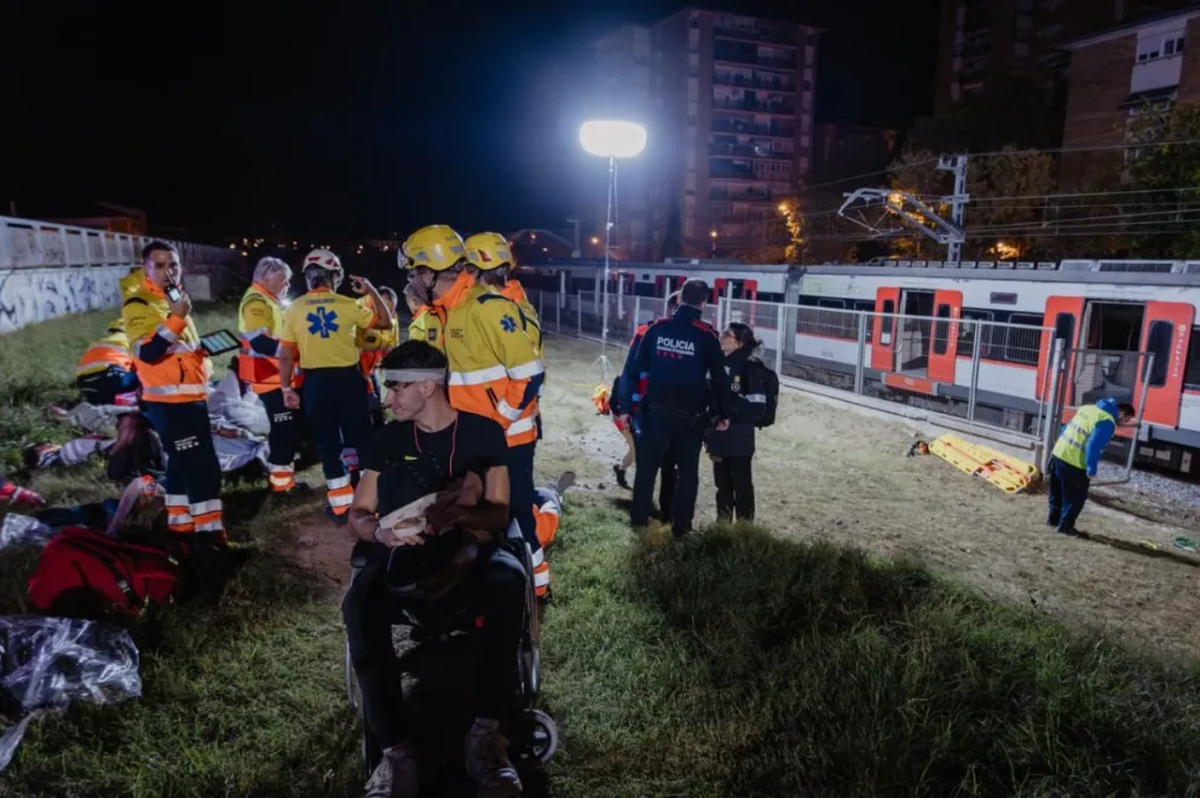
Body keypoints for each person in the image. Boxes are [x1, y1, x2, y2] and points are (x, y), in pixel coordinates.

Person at [343, 341, 526, 798]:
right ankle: (395, 754)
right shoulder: (386, 440)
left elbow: (499, 514)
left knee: (508, 582)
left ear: (430, 385)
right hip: (400, 557)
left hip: (469, 553)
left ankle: (486, 739)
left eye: (397, 388)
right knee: (360, 604)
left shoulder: (483, 434)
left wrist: (455, 515)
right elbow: (359, 514)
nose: (389, 398)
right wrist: (383, 533)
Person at [402, 225, 549, 600]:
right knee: (472, 515)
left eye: (413, 273)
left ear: (428, 272)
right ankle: (483, 586)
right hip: (466, 440)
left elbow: (530, 375)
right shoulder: (439, 316)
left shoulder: (488, 308)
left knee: (516, 515)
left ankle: (538, 591)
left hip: (507, 438)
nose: (412, 282)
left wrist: (497, 422)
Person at [278, 249, 395, 521]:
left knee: (327, 443)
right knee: (362, 439)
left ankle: (341, 506)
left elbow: (285, 355)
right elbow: (386, 322)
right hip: (349, 380)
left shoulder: (294, 309)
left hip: (316, 383)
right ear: (335, 276)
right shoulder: (348, 305)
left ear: (307, 278)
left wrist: (286, 389)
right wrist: (371, 290)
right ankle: (371, 501)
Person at [122, 241, 226, 543]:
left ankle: (180, 525)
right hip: (170, 402)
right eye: (160, 265)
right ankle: (210, 535)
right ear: (146, 268)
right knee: (203, 468)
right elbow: (148, 352)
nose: (169, 271)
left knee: (180, 464)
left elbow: (178, 348)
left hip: (190, 397)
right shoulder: (139, 304)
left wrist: (198, 352)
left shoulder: (174, 299)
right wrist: (178, 317)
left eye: (174, 264)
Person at [619, 279, 731, 538]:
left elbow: (632, 370)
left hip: (654, 413)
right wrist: (724, 413)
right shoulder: (706, 336)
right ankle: (681, 527)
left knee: (647, 470)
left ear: (679, 300)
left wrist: (625, 406)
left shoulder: (656, 330)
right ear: (704, 302)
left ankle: (638, 522)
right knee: (687, 473)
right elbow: (719, 379)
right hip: (689, 420)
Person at [237, 256, 305, 495]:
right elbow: (259, 341)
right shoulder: (257, 302)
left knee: (287, 428)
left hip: (276, 376)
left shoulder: (268, 300)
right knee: (283, 429)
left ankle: (285, 476)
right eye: (283, 280)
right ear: (267, 277)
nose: (287, 285)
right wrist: (292, 354)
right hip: (268, 377)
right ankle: (282, 485)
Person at [705, 323, 769, 522]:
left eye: (728, 334)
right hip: (718, 435)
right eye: (723, 332)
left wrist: (730, 415)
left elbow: (758, 408)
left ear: (739, 342)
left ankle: (744, 529)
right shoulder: (717, 364)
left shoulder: (751, 369)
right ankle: (722, 525)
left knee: (741, 486)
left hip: (739, 438)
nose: (722, 336)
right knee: (721, 485)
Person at [626, 292, 680, 519]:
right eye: (678, 307)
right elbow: (631, 370)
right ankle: (642, 514)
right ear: (669, 309)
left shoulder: (696, 335)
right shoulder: (647, 332)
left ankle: (666, 512)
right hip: (647, 409)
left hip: (677, 412)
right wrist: (628, 406)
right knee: (647, 465)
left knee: (671, 468)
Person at [1047, 398, 1135, 535]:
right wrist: (1091, 468)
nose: (1123, 423)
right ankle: (1065, 526)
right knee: (1076, 496)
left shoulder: (1087, 409)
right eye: (1125, 420)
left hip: (1059, 452)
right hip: (1074, 460)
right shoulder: (1107, 421)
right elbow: (1092, 445)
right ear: (1123, 414)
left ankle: (1053, 520)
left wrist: (1057, 448)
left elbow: (1065, 428)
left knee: (1057, 489)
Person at [358, 286, 402, 429]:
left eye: (389, 311)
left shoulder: (392, 322)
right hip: (355, 376)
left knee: (378, 413)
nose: (384, 315)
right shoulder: (357, 318)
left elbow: (390, 353)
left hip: (370, 374)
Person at [76, 317, 139, 406]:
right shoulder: (130, 340)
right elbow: (143, 364)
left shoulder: (97, 343)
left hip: (84, 382)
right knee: (145, 379)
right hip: (110, 376)